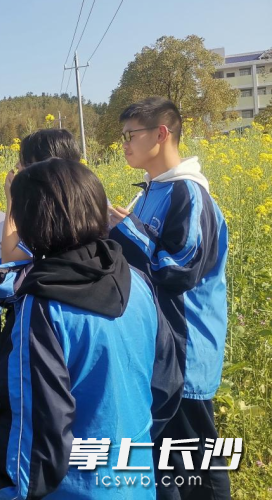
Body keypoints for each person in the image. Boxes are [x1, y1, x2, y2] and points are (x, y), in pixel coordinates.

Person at [0, 158, 182, 499]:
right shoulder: (137, 282)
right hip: (134, 480)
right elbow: (167, 385)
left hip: (73, 489)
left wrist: (12, 492)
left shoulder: (44, 306)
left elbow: (37, 428)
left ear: (34, 223)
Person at [108, 97, 230, 499]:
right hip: (160, 350)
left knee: (197, 467)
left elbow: (179, 269)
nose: (124, 144)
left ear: (161, 134)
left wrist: (126, 230)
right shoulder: (150, 193)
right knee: (166, 467)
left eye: (131, 135)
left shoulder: (189, 195)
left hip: (187, 351)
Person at [0, 129, 81, 263]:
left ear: (47, 165)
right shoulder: (85, 197)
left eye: (25, 161)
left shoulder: (52, 209)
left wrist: (12, 199)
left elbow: (9, 259)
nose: (18, 166)